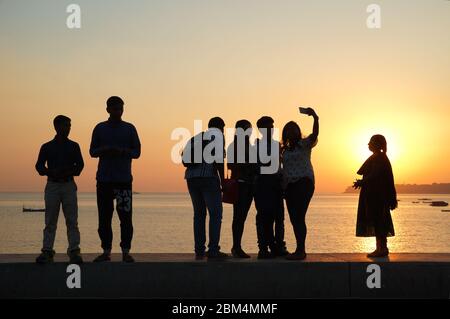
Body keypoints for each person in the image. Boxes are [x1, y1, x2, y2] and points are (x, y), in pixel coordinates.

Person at [89, 96, 141, 263]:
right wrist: (105, 149)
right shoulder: (99, 128)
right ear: (108, 110)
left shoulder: (130, 128)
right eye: (116, 108)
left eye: (121, 108)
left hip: (123, 180)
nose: (119, 111)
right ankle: (106, 251)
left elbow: (137, 152)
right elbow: (92, 151)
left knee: (125, 218)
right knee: (104, 218)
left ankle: (126, 252)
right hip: (104, 180)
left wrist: (122, 151)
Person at [35, 115, 84, 264]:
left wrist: (67, 172)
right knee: (50, 220)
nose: (68, 128)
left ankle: (74, 250)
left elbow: (80, 166)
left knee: (72, 220)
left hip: (68, 184)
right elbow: (39, 166)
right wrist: (51, 172)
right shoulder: (47, 146)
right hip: (53, 185)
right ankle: (47, 250)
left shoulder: (74, 146)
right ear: (56, 127)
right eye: (65, 125)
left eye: (69, 125)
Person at [183, 117, 228, 260]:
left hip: (191, 178)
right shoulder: (218, 137)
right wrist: (223, 182)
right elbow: (219, 162)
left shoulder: (196, 137)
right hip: (208, 177)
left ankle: (199, 250)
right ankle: (213, 249)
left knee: (199, 214)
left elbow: (184, 159)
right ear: (221, 127)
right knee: (215, 214)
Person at [281, 107, 319, 260]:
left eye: (293, 129)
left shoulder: (305, 144)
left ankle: (301, 250)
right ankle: (299, 249)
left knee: (299, 216)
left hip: (304, 183)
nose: (291, 132)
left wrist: (315, 118)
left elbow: (315, 134)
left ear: (298, 131)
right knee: (293, 218)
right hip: (289, 186)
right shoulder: (284, 150)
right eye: (288, 130)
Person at [353, 134, 397, 258]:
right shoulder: (378, 157)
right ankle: (380, 248)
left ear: (377, 144)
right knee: (378, 220)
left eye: (371, 142)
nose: (368, 144)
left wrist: (362, 182)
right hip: (374, 193)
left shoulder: (379, 157)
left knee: (379, 221)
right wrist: (363, 182)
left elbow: (374, 175)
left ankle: (382, 248)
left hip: (377, 195)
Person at [254, 116, 288, 259]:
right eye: (268, 127)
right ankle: (264, 247)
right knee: (263, 217)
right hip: (263, 184)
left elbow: (280, 165)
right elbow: (256, 166)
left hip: (276, 183)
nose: (271, 129)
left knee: (279, 217)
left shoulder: (276, 145)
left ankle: (278, 246)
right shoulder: (256, 146)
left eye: (272, 127)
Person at [227, 120, 258, 258]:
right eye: (247, 129)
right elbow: (231, 164)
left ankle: (237, 246)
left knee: (241, 217)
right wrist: (248, 165)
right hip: (240, 184)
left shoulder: (250, 146)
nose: (249, 132)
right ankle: (236, 247)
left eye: (250, 129)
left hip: (250, 184)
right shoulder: (234, 146)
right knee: (238, 217)